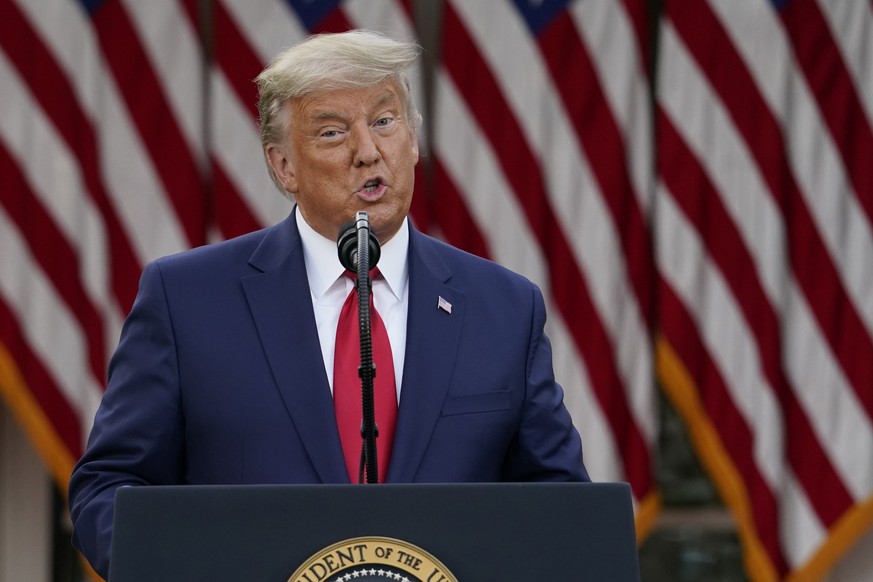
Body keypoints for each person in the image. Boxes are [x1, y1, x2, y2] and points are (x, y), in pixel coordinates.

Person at [68, 29, 590, 578]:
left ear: (412, 140)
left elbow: (561, 506)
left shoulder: (503, 308)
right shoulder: (186, 301)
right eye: (333, 132)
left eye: (385, 122)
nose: (368, 152)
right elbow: (108, 490)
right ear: (283, 166)